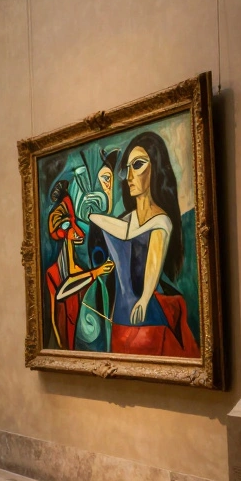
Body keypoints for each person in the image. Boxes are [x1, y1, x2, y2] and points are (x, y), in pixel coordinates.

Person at [88, 132, 199, 358]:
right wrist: (94, 214)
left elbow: (153, 262)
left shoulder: (161, 221)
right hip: (119, 323)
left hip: (148, 322)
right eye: (126, 168)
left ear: (155, 168)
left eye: (137, 165)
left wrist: (146, 297)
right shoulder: (127, 220)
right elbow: (121, 230)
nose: (129, 175)